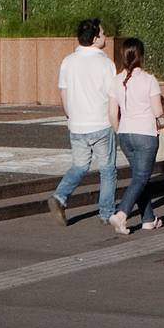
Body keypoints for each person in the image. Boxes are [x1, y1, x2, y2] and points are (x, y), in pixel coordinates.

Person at [48, 18, 122, 230]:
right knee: (107, 169)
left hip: (77, 123)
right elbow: (113, 96)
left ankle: (60, 196)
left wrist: (70, 116)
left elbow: (63, 92)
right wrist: (116, 121)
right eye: (103, 33)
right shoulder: (106, 63)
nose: (105, 36)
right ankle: (106, 212)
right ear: (95, 38)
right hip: (100, 123)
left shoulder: (68, 61)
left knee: (80, 165)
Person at [114, 37, 164, 231]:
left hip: (125, 134)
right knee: (141, 177)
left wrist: (120, 130)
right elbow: (157, 112)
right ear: (141, 56)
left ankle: (148, 219)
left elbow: (112, 114)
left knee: (141, 177)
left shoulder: (116, 80)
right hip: (145, 134)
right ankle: (122, 213)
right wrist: (162, 102)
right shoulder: (149, 80)